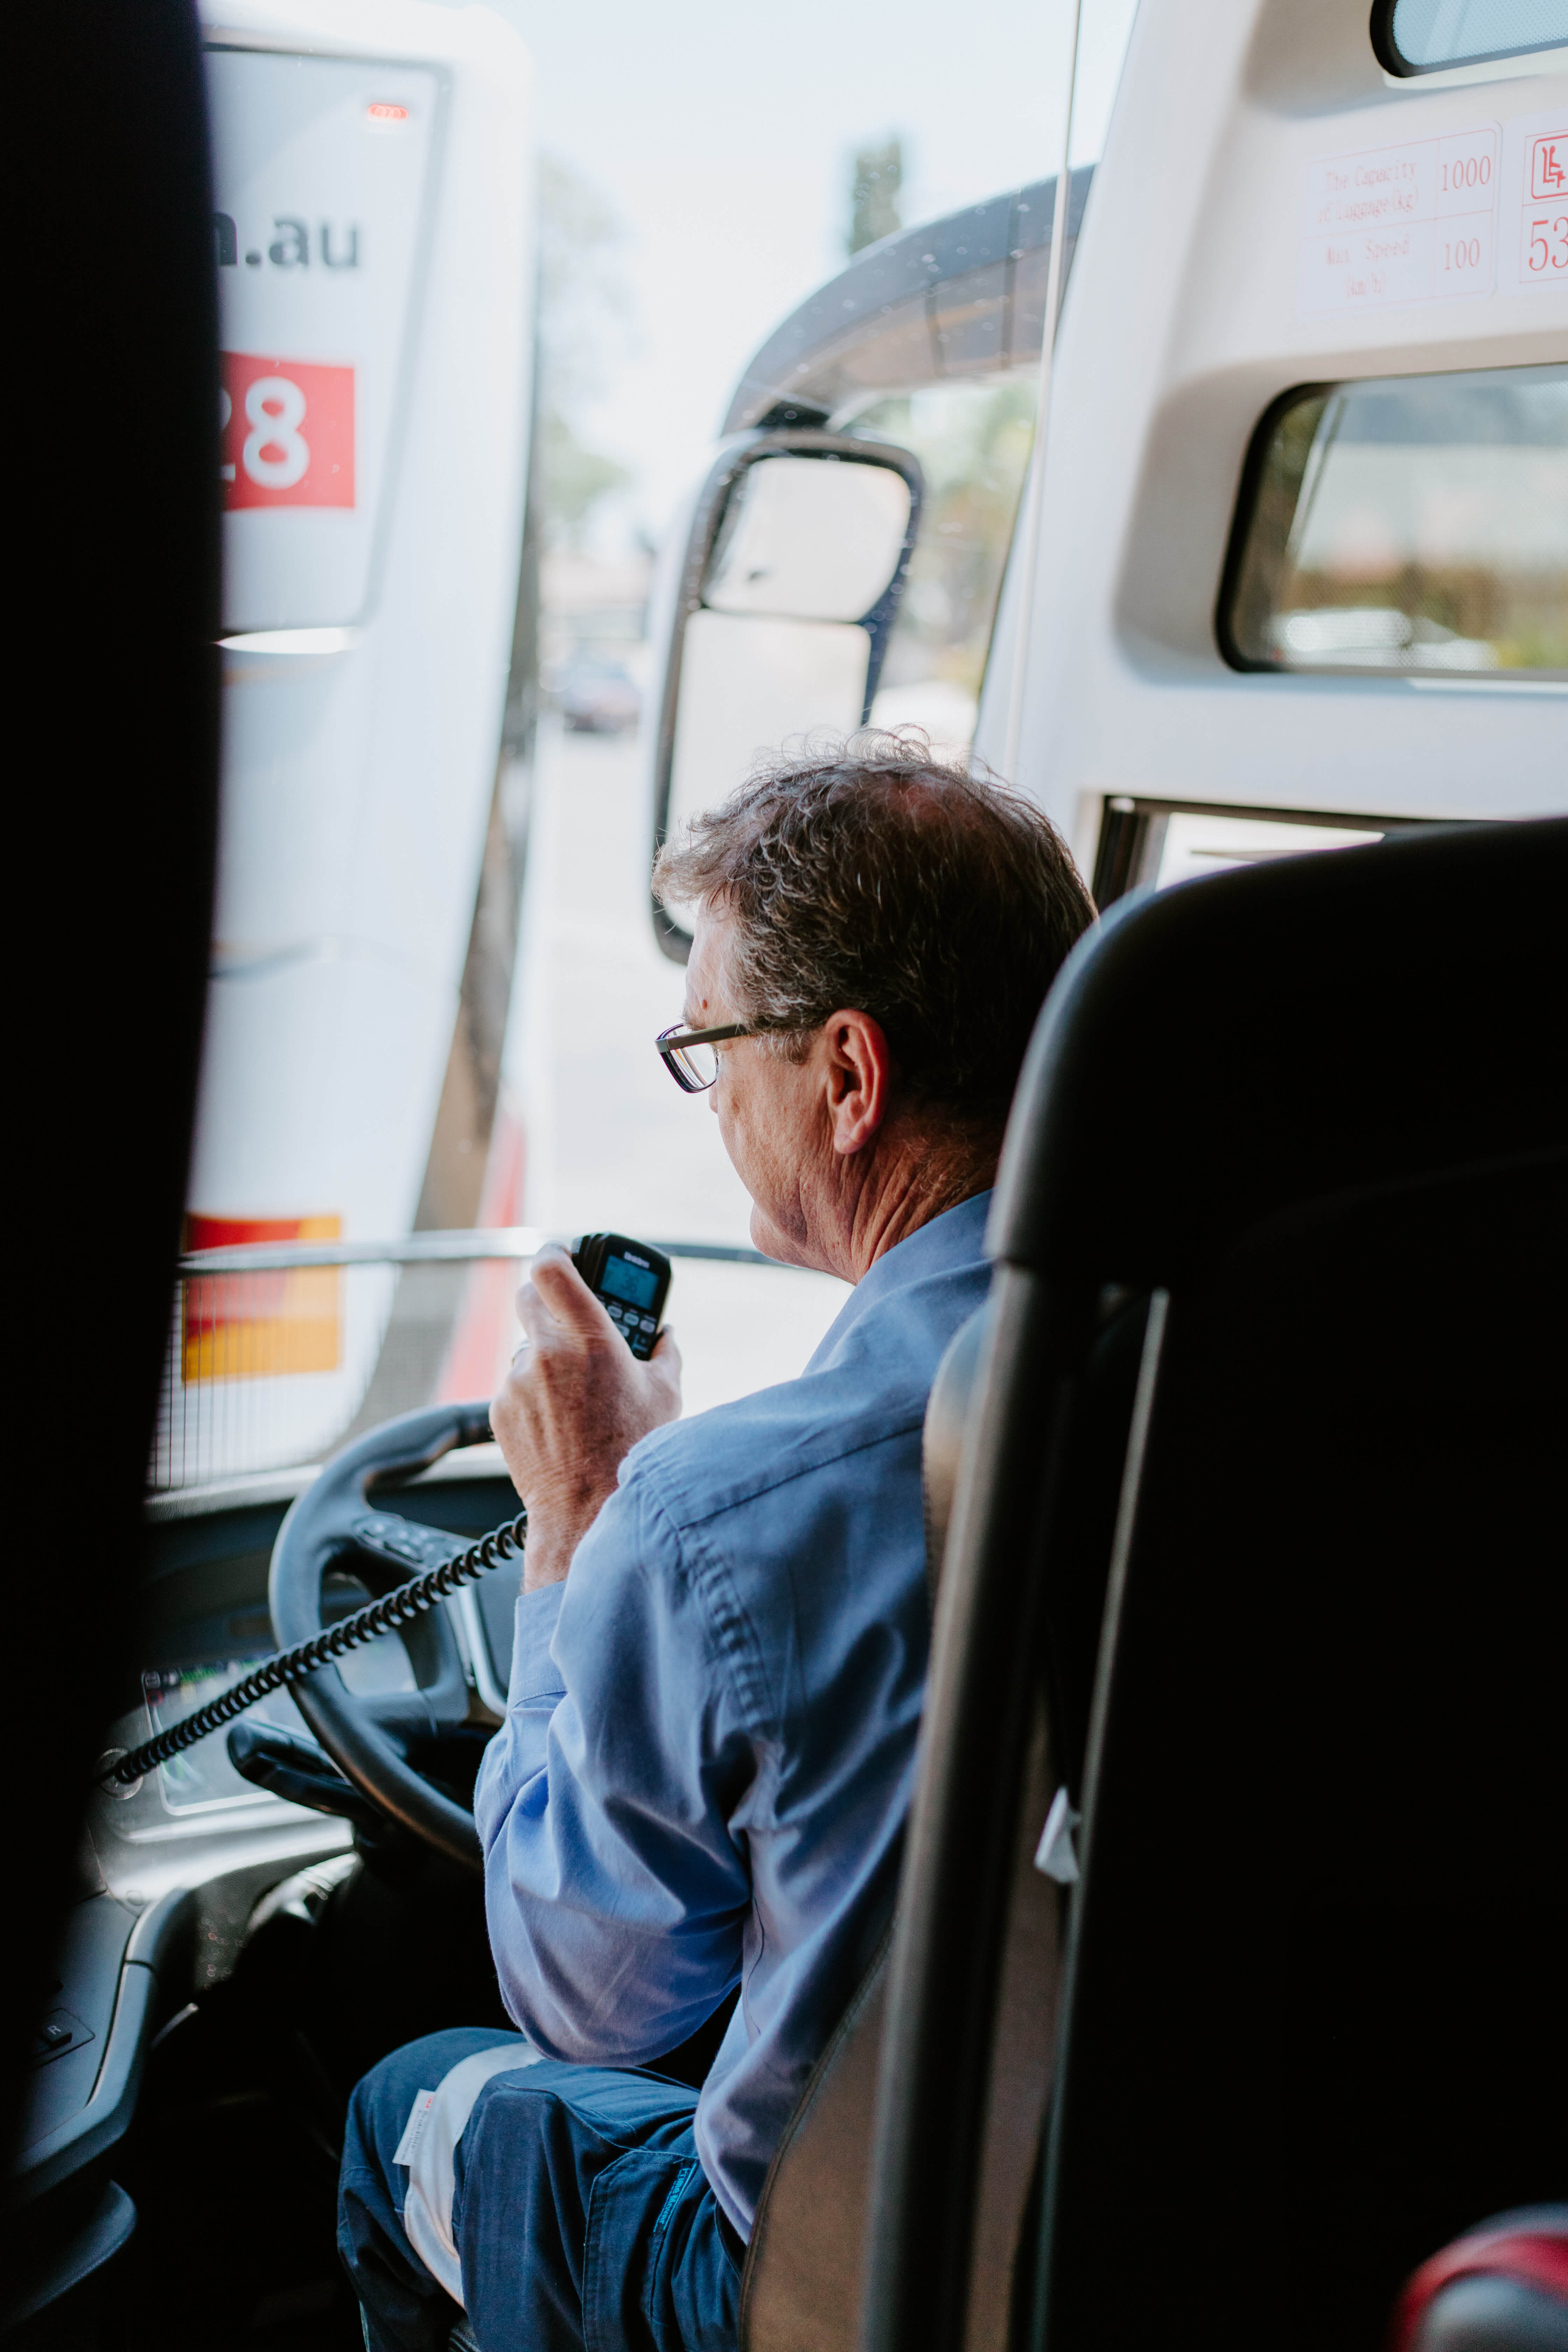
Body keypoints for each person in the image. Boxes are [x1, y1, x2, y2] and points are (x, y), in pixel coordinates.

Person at [338, 735, 1095, 2352]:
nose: (706, 1089)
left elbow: (594, 2005)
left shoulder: (716, 1516)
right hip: (1146, 2218)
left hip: (836, 2286)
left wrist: (577, 1524)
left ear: (845, 1077)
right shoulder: (1235, 1372)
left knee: (418, 2105)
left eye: (714, 1045)